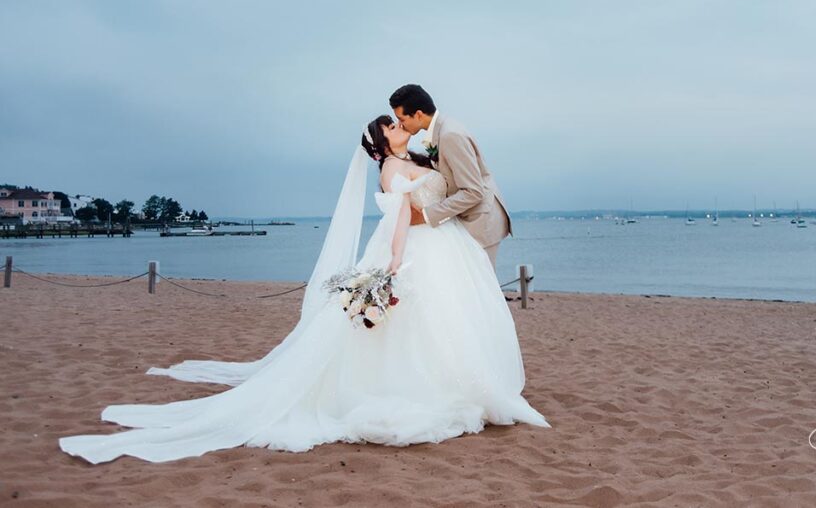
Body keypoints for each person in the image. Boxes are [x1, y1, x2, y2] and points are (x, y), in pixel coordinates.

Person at [58, 116, 549, 464]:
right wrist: (395, 264)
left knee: (446, 320)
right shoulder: (394, 170)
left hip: (442, 245)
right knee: (418, 323)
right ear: (381, 143)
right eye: (392, 127)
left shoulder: (416, 158)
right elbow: (402, 216)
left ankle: (461, 379)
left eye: (400, 123)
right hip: (414, 246)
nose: (401, 128)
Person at [390, 84, 512, 269]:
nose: (400, 125)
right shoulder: (440, 131)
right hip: (469, 217)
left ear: (419, 114)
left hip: (480, 220)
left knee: (481, 292)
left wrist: (425, 215)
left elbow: (473, 192)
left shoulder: (450, 135)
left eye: (402, 118)